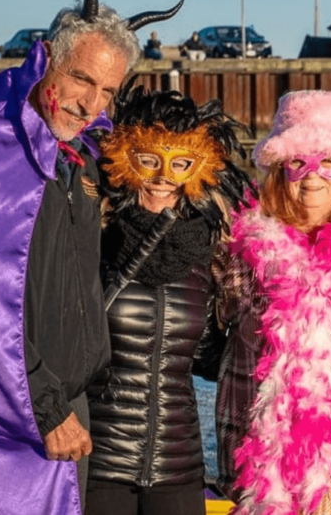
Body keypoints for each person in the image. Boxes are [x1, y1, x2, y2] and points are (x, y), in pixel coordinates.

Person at [0, 0, 183, 515]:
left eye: (108, 90)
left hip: (62, 408)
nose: (90, 102)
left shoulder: (74, 152)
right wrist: (46, 406)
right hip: (7, 420)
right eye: (81, 78)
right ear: (46, 58)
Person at [207, 90, 331, 514]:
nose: (313, 176)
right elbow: (202, 330)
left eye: (328, 162)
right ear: (280, 170)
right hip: (258, 472)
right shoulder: (240, 246)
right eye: (298, 162)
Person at [85, 83, 250, 515]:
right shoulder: (93, 240)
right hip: (99, 463)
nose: (162, 177)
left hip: (178, 466)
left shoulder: (208, 252)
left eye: (180, 164)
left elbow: (212, 359)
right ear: (124, 160)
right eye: (148, 161)